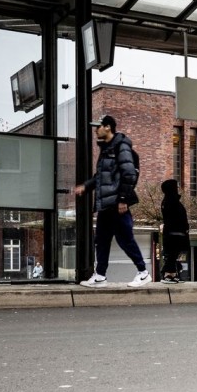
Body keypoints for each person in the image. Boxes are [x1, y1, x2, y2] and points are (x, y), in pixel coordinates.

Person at [74, 114, 148, 287]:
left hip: (116, 203)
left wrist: (123, 199)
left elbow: (129, 173)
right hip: (106, 205)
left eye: (98, 126)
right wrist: (85, 186)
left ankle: (143, 272)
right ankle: (100, 275)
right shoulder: (106, 148)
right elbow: (100, 177)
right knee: (101, 240)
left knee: (125, 239)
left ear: (108, 127)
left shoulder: (121, 146)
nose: (95, 130)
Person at [158, 178, 191, 283]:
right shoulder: (171, 201)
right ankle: (167, 274)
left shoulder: (170, 200)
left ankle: (172, 274)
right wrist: (184, 227)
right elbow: (176, 217)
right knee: (173, 254)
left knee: (174, 254)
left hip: (175, 232)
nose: (178, 188)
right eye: (176, 186)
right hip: (175, 233)